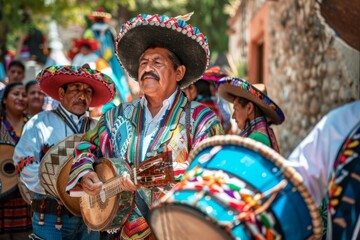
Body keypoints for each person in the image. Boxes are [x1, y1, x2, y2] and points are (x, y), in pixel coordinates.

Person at [66, 13, 224, 239]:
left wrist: (160, 175)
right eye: (143, 63)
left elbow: (213, 172)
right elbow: (85, 146)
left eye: (157, 62)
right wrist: (85, 172)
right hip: (119, 232)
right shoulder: (116, 115)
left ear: (179, 72)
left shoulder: (201, 119)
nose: (147, 68)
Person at [13, 64, 115, 240]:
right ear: (61, 94)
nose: (82, 96)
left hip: (91, 214)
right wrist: (59, 187)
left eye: (88, 92)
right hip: (51, 216)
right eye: (76, 89)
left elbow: (109, 164)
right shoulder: (41, 122)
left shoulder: (97, 127)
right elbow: (23, 162)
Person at [287, 100, 360, 239]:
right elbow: (293, 187)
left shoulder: (344, 124)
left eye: (237, 107)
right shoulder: (344, 124)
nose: (235, 115)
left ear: (249, 108)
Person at [217, 76, 285, 152]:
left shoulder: (257, 138)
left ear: (249, 108)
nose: (233, 116)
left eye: (236, 109)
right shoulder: (259, 135)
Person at [0, 82, 32, 239]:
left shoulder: (33, 125)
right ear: (5, 99)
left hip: (27, 199)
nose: (21, 98)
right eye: (16, 94)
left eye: (24, 95)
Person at [85, 7, 132, 103]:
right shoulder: (109, 30)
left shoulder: (90, 31)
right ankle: (122, 99)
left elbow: (86, 44)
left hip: (96, 59)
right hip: (111, 59)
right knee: (118, 78)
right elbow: (116, 43)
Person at [183, 65, 232, 133]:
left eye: (184, 89)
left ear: (193, 89)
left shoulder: (194, 109)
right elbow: (227, 125)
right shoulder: (215, 105)